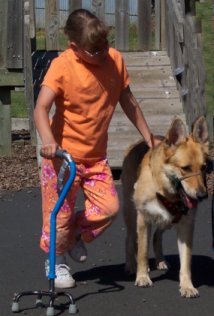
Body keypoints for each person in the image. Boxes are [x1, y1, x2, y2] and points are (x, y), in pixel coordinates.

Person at [34, 9, 160, 289]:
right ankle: (56, 261)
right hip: (62, 158)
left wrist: (149, 136)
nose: (102, 53)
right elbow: (41, 107)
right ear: (75, 47)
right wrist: (47, 141)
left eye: (105, 45)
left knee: (110, 208)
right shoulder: (63, 66)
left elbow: (128, 101)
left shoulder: (114, 61)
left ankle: (75, 235)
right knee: (59, 214)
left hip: (94, 158)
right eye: (95, 50)